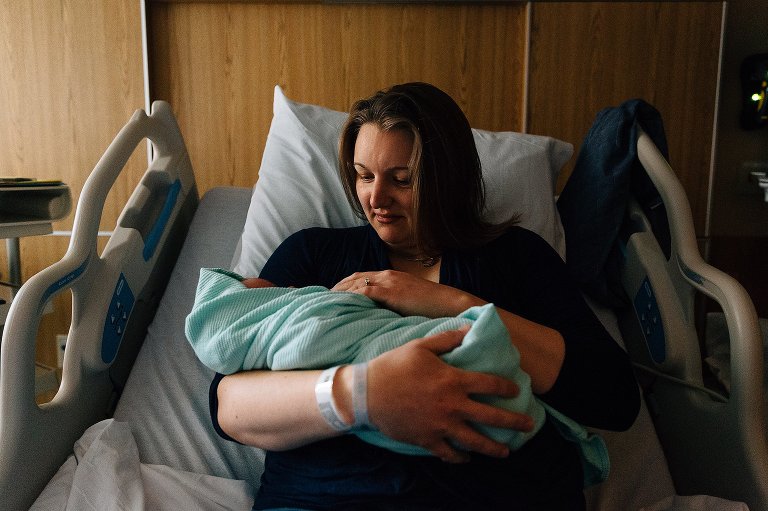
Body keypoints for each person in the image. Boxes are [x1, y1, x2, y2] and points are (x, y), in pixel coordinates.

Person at [211, 82, 640, 510]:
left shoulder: (517, 258)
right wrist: (362, 394)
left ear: (448, 179)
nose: (375, 198)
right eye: (363, 176)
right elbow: (228, 405)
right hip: (327, 496)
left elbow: (613, 397)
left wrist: (451, 305)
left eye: (402, 179)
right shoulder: (313, 256)